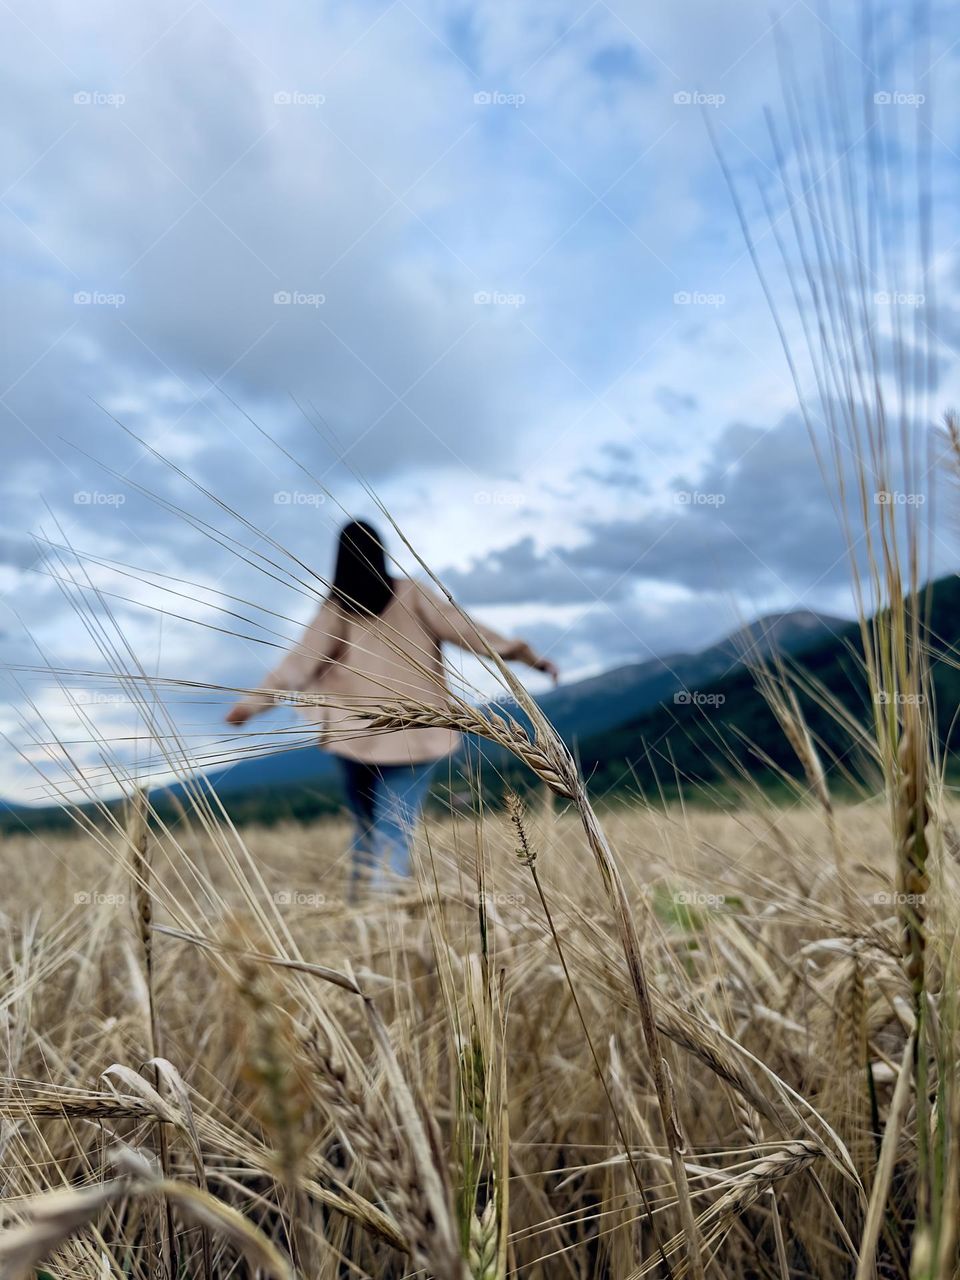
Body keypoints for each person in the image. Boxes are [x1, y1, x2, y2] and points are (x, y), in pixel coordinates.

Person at [225, 520, 558, 886]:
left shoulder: (337, 607)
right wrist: (525, 656)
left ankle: (364, 917)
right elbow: (467, 631)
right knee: (394, 830)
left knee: (367, 828)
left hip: (353, 735)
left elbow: (298, 665)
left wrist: (251, 705)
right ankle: (383, 922)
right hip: (415, 734)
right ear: (381, 553)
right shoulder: (412, 594)